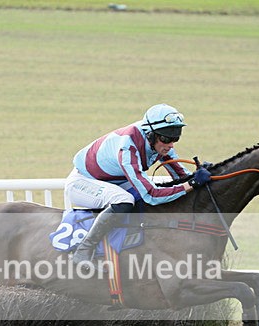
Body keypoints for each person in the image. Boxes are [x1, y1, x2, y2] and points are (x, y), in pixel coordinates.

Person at [65, 103, 211, 268]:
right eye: (166, 138)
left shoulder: (160, 141)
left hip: (115, 180)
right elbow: (152, 195)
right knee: (125, 200)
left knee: (142, 199)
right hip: (83, 182)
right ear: (150, 135)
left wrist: (205, 175)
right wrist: (191, 184)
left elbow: (181, 177)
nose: (171, 144)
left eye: (175, 138)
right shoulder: (128, 147)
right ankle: (83, 250)